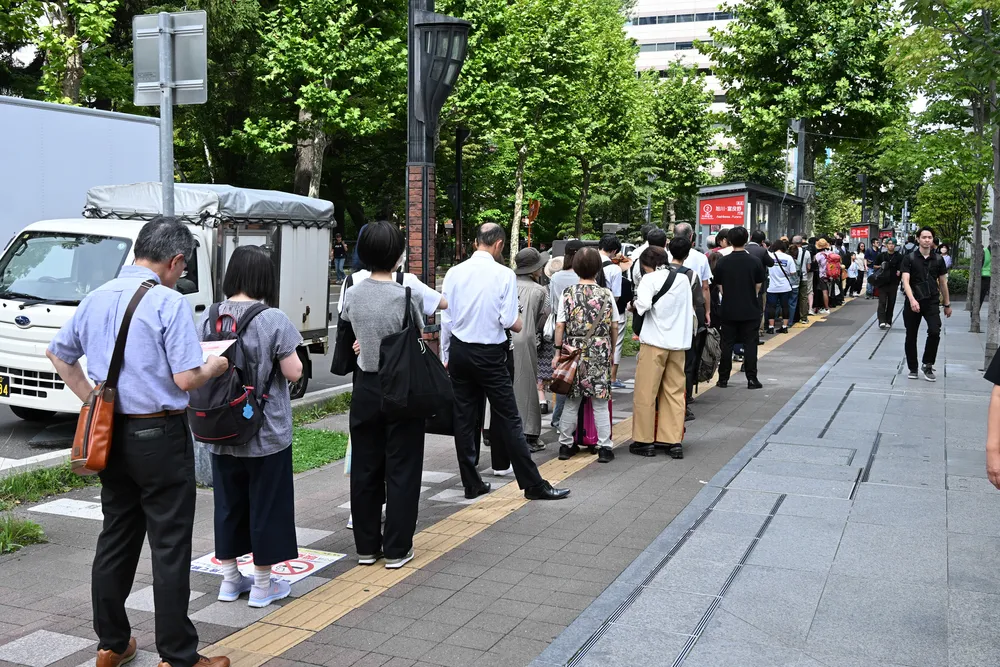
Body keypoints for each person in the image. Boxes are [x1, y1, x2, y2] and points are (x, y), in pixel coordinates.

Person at [46, 218, 231, 667]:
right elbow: (186, 378)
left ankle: (112, 644)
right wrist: (215, 367)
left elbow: (58, 353)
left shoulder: (96, 296)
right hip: (160, 435)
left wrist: (91, 398)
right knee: (169, 545)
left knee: (116, 537)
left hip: (109, 435)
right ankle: (177, 656)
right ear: (176, 261)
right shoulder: (169, 303)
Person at [198, 246, 303, 608]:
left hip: (219, 429)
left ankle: (229, 582)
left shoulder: (210, 318)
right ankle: (262, 586)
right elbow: (293, 372)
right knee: (266, 504)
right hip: (266, 432)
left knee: (227, 504)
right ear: (264, 279)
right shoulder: (273, 318)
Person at [441, 223, 570, 501]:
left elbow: (446, 319)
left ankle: (471, 482)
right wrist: (520, 321)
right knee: (509, 417)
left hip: (460, 351)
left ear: (476, 242)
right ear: (499, 244)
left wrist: (446, 355)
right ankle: (533, 484)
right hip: (490, 354)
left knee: (464, 419)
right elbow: (510, 321)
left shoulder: (453, 272)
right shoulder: (503, 275)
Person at [341, 221, 428, 568]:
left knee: (364, 467)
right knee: (403, 468)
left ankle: (366, 547)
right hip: (401, 388)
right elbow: (418, 333)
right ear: (397, 256)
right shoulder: (406, 295)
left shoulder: (352, 293)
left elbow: (352, 327)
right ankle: (396, 549)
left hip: (365, 386)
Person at [553, 247, 619, 463]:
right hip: (600, 350)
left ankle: (565, 445)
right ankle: (604, 447)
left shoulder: (568, 293)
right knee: (600, 402)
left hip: (573, 351)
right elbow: (615, 325)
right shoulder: (606, 294)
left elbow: (560, 325)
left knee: (572, 401)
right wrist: (611, 352)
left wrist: (557, 351)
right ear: (598, 268)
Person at [630, 246, 693, 459]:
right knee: (675, 393)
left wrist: (633, 305)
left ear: (644, 264)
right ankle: (673, 440)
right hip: (678, 343)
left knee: (646, 392)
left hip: (654, 342)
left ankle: (644, 440)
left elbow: (644, 305)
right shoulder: (683, 279)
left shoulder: (649, 280)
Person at [714, 226, 766, 390]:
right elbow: (758, 286)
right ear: (746, 239)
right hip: (750, 308)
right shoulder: (755, 261)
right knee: (750, 344)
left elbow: (720, 286)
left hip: (729, 309)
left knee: (726, 344)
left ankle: (723, 379)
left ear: (729, 241)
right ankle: (752, 379)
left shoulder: (723, 261)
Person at [901, 226, 952, 382]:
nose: (927, 240)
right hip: (913, 301)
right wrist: (912, 300)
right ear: (918, 239)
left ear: (933, 240)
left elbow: (943, 282)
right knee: (911, 335)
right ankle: (913, 368)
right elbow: (905, 281)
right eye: (924, 237)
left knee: (935, 331)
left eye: (929, 237)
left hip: (931, 301)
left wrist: (947, 304)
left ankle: (927, 364)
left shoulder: (938, 259)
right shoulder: (909, 258)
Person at [512, 248, 550, 453]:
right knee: (526, 386)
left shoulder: (506, 284)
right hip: (526, 338)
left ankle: (491, 429)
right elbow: (544, 316)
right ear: (534, 269)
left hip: (503, 339)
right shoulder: (540, 291)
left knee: (501, 385)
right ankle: (529, 433)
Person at [667, 237, 706, 421]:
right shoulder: (691, 275)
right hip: (685, 327)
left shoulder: (660, 273)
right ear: (688, 253)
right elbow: (698, 302)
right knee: (686, 365)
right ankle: (685, 400)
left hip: (663, 327)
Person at [547, 241, 582, 428]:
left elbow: (553, 307)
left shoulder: (556, 277)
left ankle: (557, 418)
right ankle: (581, 423)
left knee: (564, 377)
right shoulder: (586, 277)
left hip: (563, 332)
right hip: (584, 333)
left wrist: (557, 350)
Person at [598, 234, 628, 389]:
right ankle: (610, 377)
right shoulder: (614, 269)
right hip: (605, 312)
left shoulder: (587, 260)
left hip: (584, 310)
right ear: (614, 250)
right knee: (612, 343)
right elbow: (615, 296)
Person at [765, 239, 795, 334]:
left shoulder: (769, 256)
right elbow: (792, 272)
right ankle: (785, 326)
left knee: (771, 307)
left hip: (772, 287)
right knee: (785, 306)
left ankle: (770, 327)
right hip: (785, 287)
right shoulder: (788, 258)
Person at [875, 238, 903, 329]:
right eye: (889, 244)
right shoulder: (881, 255)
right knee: (882, 302)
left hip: (894, 282)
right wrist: (881, 266)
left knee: (891, 302)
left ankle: (888, 320)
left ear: (895, 245)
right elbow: (874, 266)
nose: (891, 245)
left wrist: (900, 271)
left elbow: (903, 267)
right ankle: (881, 321)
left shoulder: (899, 256)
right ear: (886, 245)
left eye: (893, 244)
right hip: (882, 282)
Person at [792, 236, 812, 323]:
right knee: (803, 298)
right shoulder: (806, 252)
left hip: (792, 278)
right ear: (801, 242)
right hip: (803, 277)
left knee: (792, 297)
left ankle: (793, 317)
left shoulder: (790, 251)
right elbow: (808, 267)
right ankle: (803, 317)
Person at [814, 238, 834, 314]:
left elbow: (815, 263)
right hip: (831, 274)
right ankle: (829, 305)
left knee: (824, 291)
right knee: (829, 291)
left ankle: (826, 308)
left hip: (822, 275)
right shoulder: (831, 253)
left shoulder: (818, 255)